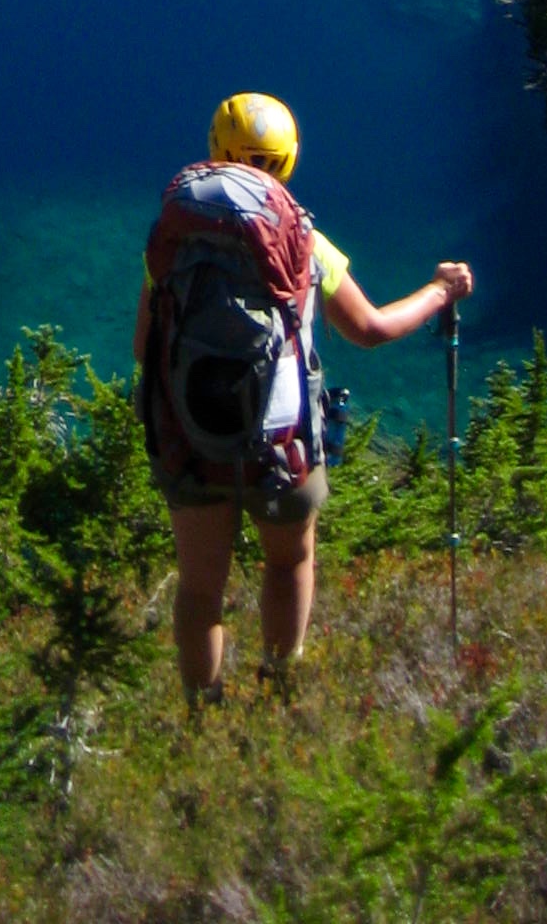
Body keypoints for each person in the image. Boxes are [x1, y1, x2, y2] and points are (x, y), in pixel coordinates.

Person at [133, 89, 472, 698]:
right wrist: (440, 293)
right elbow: (371, 330)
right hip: (281, 441)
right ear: (286, 160)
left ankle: (198, 718)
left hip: (190, 435)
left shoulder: (173, 240)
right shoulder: (305, 243)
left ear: (216, 147)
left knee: (200, 587)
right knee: (288, 561)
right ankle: (277, 688)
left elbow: (143, 349)